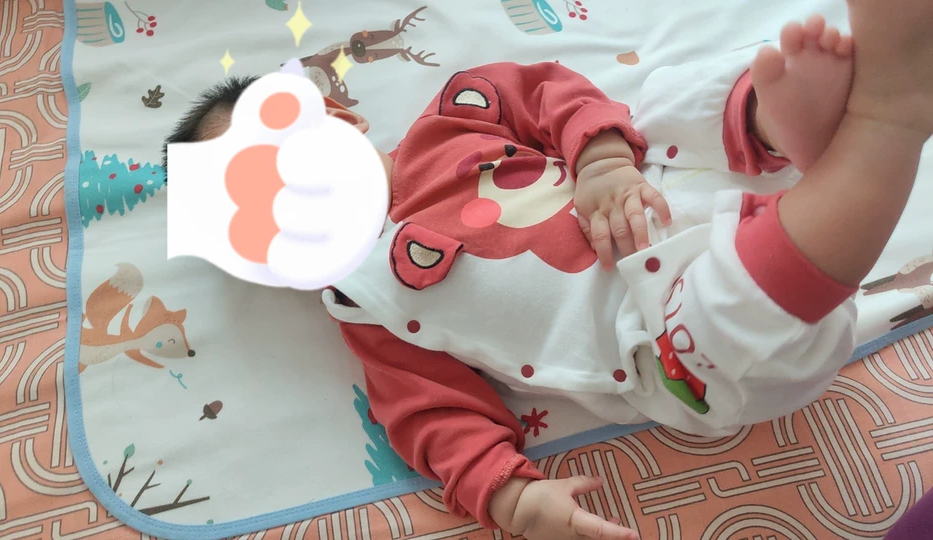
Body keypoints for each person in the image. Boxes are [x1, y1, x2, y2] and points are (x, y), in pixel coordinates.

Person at [163, 1, 933, 536]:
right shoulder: (370, 303)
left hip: (657, 184)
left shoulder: (452, 113)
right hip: (661, 335)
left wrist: (601, 164)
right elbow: (434, 419)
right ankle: (884, 120)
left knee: (660, 100)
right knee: (725, 321)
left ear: (339, 121)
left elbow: (553, 93)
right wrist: (513, 502)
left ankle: (770, 126)